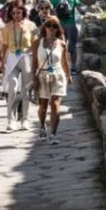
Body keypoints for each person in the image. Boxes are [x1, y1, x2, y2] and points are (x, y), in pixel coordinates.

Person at [31, 16, 72, 144]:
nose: (52, 29)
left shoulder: (62, 44)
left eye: (55, 26)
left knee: (55, 105)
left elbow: (65, 62)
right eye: (49, 25)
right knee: (43, 105)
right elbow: (34, 62)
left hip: (58, 75)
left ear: (58, 29)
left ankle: (53, 134)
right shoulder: (37, 43)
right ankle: (42, 126)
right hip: (43, 76)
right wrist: (34, 77)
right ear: (45, 27)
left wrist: (68, 75)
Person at [0, 4, 38, 131]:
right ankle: (10, 119)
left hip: (26, 57)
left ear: (23, 13)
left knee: (25, 90)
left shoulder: (31, 25)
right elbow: (4, 44)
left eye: (19, 13)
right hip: (12, 57)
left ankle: (25, 119)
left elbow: (35, 43)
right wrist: (2, 62)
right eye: (14, 13)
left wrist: (36, 62)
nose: (16, 15)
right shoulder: (7, 26)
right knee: (13, 87)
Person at [50, 0, 83, 74]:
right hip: (71, 24)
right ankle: (73, 68)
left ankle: (59, 67)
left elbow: (52, 11)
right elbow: (80, 10)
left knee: (58, 46)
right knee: (72, 47)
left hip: (59, 26)